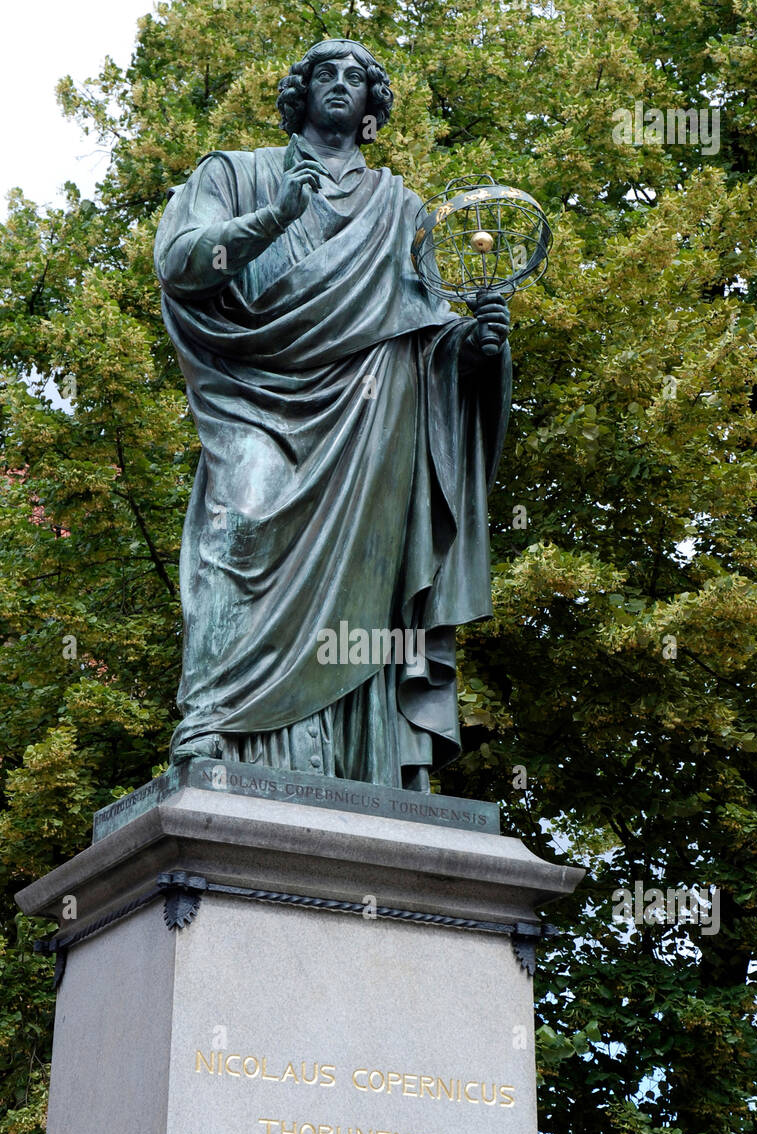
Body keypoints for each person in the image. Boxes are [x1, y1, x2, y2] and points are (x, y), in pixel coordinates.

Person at [154, 38, 511, 791]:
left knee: (367, 596)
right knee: (238, 528)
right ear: (301, 91)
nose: (342, 85)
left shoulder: (401, 209)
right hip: (256, 397)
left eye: (358, 78)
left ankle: (361, 763)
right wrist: (277, 215)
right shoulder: (236, 172)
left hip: (373, 416)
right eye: (327, 74)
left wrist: (477, 351)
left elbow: (423, 335)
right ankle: (213, 720)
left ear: (374, 107)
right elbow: (181, 262)